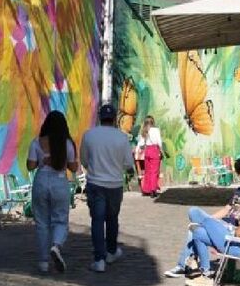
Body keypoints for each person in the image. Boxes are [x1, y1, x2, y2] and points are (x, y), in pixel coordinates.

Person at [164, 157, 240, 278]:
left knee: (194, 223)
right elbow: (226, 209)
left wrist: (206, 222)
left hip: (231, 230)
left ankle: (184, 265)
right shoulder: (239, 191)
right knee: (195, 219)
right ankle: (193, 266)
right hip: (221, 225)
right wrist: (208, 221)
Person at [80, 104, 135, 273]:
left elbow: (84, 160)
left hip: (95, 183)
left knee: (97, 221)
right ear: (114, 119)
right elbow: (128, 164)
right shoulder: (122, 137)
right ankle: (111, 252)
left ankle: (99, 259)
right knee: (112, 219)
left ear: (100, 117)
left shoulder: (89, 135)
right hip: (115, 184)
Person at [27, 110, 79, 273]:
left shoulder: (36, 142)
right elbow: (74, 167)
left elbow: (30, 166)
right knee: (60, 219)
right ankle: (56, 246)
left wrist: (43, 159)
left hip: (41, 180)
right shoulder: (68, 144)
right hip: (59, 181)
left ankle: (43, 262)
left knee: (42, 223)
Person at [136, 116, 163, 197]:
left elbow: (141, 143)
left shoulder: (144, 131)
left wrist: (138, 149)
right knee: (154, 172)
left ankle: (146, 190)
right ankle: (153, 190)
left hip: (147, 151)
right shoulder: (156, 130)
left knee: (148, 171)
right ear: (153, 122)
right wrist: (161, 150)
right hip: (154, 150)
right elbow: (159, 141)